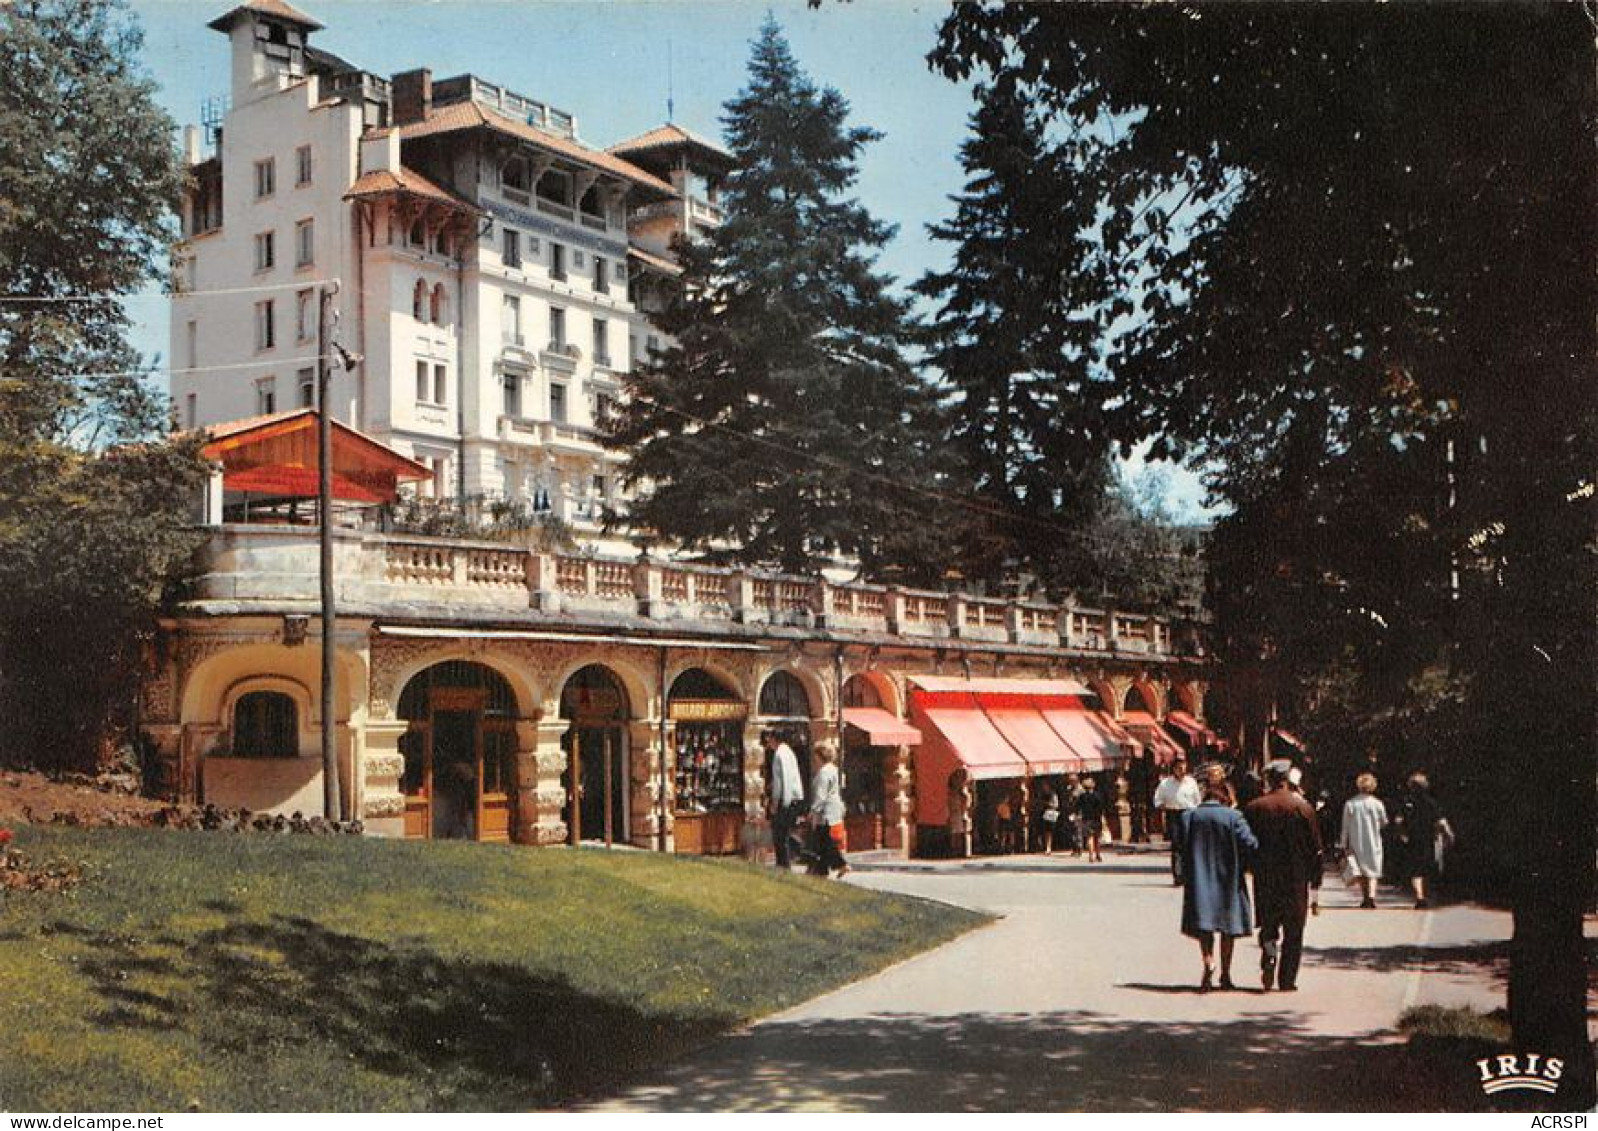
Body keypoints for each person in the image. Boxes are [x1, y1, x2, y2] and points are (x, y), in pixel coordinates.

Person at [1244, 761, 1324, 991]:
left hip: (1266, 876)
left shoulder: (1255, 807)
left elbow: (1246, 842)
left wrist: (1250, 866)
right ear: (1287, 779)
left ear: (1269, 780)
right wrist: (1315, 878)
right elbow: (1315, 848)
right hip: (1296, 878)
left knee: (1269, 921)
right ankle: (1287, 979)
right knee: (1294, 929)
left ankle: (1269, 949)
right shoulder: (1303, 808)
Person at [1180, 778, 1258, 990]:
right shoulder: (1234, 817)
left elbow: (1181, 847)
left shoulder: (1190, 817)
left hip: (1200, 878)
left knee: (1204, 926)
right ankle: (1225, 974)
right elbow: (1251, 843)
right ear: (1226, 797)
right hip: (1228, 878)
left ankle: (1208, 960)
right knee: (1228, 928)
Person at [1394, 772, 1448, 909]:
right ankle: (1425, 895)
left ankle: (1419, 896)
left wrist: (1402, 835)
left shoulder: (1406, 802)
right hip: (1429, 838)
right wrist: (1449, 834)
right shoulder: (1431, 802)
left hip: (1412, 838)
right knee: (1427, 867)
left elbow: (1398, 821)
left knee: (1415, 869)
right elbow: (1440, 822)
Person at [1339, 772, 1388, 908]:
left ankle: (1365, 897)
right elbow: (1384, 822)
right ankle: (1371, 897)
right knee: (1373, 870)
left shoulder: (1350, 804)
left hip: (1356, 841)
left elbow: (1345, 825)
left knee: (1360, 870)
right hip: (1374, 841)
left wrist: (1343, 843)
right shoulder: (1378, 804)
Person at [1153, 757, 1202, 885]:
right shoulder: (1165, 783)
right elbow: (1157, 800)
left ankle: (1189, 875)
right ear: (1174, 769)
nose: (1182, 770)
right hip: (1173, 814)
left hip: (1188, 813)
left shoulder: (1191, 782)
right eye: (1179, 767)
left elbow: (1197, 800)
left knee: (1189, 845)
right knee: (1176, 846)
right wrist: (1163, 806)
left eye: (1184, 767)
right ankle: (1178, 875)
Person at [762, 729, 805, 870]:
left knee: (780, 835)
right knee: (783, 834)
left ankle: (783, 864)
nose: (767, 743)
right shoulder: (788, 752)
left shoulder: (780, 754)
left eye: (769, 739)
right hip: (792, 799)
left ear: (774, 739)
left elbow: (783, 781)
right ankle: (784, 863)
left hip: (786, 800)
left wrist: (777, 803)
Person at [807, 742, 849, 878]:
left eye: (815, 756)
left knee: (825, 841)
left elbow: (821, 794)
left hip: (826, 813)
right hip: (834, 810)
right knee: (824, 842)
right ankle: (822, 870)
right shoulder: (834, 770)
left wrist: (813, 811)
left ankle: (840, 865)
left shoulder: (824, 773)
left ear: (820, 756)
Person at [1076, 777, 1106, 863]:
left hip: (1086, 819)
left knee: (1090, 837)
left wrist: (1078, 815)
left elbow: (1077, 807)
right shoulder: (1098, 796)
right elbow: (1101, 807)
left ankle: (1091, 855)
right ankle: (1098, 854)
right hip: (1096, 818)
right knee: (1097, 837)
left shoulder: (1082, 797)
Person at [1038, 782, 1062, 855]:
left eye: (1045, 786)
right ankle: (1046, 847)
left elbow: (1056, 805)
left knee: (1049, 831)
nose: (1044, 788)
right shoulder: (1042, 795)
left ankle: (1049, 847)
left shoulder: (1053, 794)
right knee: (1045, 832)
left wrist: (1047, 804)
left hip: (1051, 814)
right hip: (1044, 814)